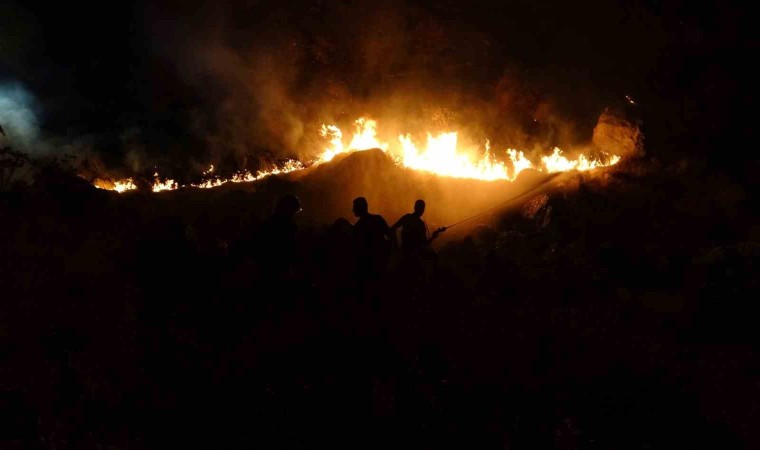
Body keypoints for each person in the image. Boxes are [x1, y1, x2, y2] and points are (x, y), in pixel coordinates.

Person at [390, 199, 445, 283]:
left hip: (404, 251)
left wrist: (396, 244)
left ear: (414, 207)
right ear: (422, 210)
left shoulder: (406, 217)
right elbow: (424, 244)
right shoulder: (420, 224)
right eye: (422, 208)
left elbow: (392, 228)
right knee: (434, 257)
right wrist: (434, 236)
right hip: (415, 255)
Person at [255, 194, 302, 281]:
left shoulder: (268, 223)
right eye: (295, 211)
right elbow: (291, 249)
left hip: (267, 268)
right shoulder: (289, 226)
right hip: (279, 268)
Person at [351, 196, 392, 281]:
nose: (353, 210)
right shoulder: (378, 219)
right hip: (379, 263)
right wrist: (387, 252)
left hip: (366, 266)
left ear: (360, 208)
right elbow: (390, 235)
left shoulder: (358, 227)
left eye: (354, 207)